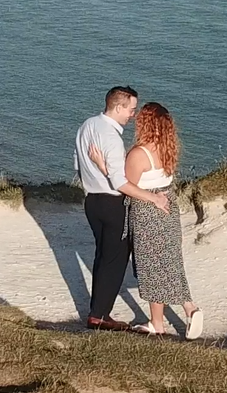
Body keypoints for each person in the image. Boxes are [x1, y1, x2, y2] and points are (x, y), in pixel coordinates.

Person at [121, 101, 204, 340]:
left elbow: (126, 185)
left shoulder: (139, 153)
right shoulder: (168, 149)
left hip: (147, 213)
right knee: (169, 263)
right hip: (169, 210)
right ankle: (181, 311)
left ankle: (165, 320)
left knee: (152, 268)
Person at [75, 86, 140, 330]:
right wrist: (152, 198)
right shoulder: (112, 137)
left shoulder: (86, 126)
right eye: (131, 109)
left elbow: (77, 165)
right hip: (113, 203)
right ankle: (100, 315)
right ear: (118, 107)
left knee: (103, 255)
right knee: (115, 258)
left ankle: (98, 311)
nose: (132, 115)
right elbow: (120, 181)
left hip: (91, 201)